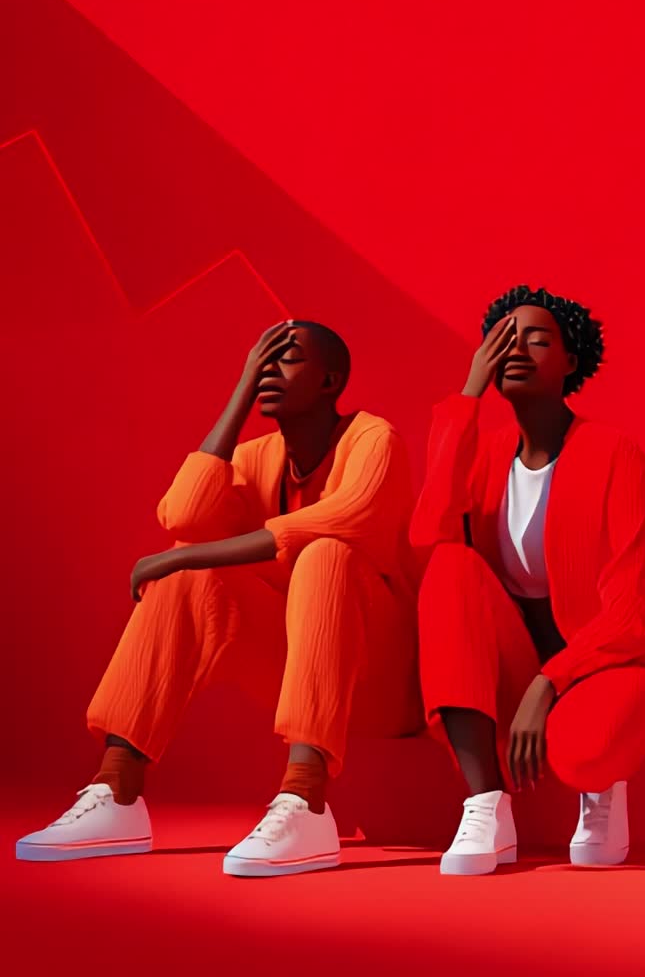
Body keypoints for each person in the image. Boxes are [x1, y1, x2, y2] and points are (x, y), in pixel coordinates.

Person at [17, 320, 423, 876]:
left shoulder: (374, 438)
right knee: (187, 576)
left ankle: (305, 797)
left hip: (382, 679)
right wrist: (240, 393)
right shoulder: (257, 457)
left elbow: (346, 517)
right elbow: (184, 515)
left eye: (285, 359)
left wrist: (183, 555)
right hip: (300, 667)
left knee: (325, 555)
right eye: (261, 360)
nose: (268, 370)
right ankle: (117, 789)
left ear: (330, 381)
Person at [410, 285, 645, 875]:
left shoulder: (613, 453)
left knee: (584, 752)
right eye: (503, 340)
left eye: (536, 339)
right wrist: (467, 397)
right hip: (515, 660)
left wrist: (548, 681)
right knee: (450, 564)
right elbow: (430, 533)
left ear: (570, 360)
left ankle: (602, 783)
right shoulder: (486, 454)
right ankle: (486, 804)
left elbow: (638, 612)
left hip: (612, 665)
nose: (516, 350)